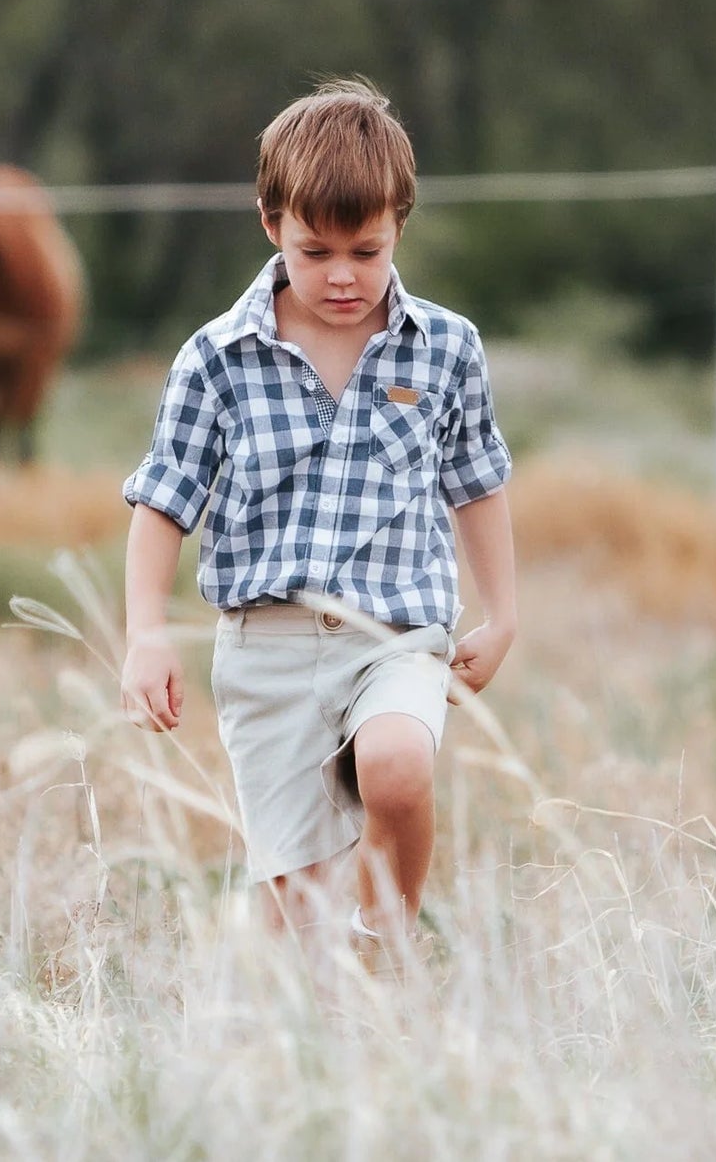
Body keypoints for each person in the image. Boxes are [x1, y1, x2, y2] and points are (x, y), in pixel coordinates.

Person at [120, 78, 516, 968]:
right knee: (295, 931)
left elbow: (477, 483)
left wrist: (502, 615)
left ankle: (391, 943)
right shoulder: (214, 358)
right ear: (271, 223)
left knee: (396, 766)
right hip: (266, 652)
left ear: (399, 224)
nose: (342, 274)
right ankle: (326, 1001)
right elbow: (163, 501)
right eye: (316, 250)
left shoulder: (445, 348)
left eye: (365, 250)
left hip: (394, 635)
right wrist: (145, 632)